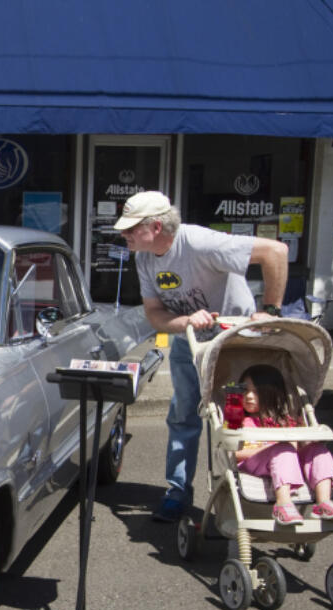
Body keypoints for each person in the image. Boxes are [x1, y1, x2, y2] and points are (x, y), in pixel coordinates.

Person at [114, 190, 289, 523]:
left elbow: (275, 251)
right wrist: (185, 322)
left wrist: (270, 311)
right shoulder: (144, 257)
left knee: (236, 417)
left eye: (131, 229)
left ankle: (252, 492)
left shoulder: (200, 242)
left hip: (235, 340)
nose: (124, 235)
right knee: (183, 415)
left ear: (155, 226)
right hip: (189, 341)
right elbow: (154, 313)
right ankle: (177, 492)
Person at [233, 364, 333, 523]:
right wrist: (271, 449)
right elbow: (232, 455)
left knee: (318, 450)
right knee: (283, 450)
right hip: (252, 462)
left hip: (285, 460)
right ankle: (283, 503)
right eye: (245, 390)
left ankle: (324, 502)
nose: (249, 396)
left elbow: (296, 448)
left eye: (256, 392)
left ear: (272, 394)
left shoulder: (285, 420)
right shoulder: (237, 420)